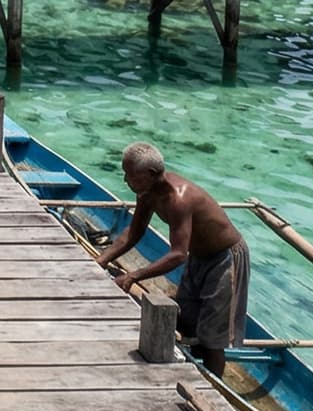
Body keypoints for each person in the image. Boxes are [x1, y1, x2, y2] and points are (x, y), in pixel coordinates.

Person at [94, 142, 248, 376]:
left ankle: (214, 388)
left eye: (131, 175)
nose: (126, 181)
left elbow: (177, 255)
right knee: (185, 319)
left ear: (152, 174)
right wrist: (101, 260)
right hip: (198, 255)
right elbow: (134, 233)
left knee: (212, 337)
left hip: (225, 260)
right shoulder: (146, 193)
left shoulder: (179, 199)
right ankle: (191, 365)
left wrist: (132, 276)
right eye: (124, 174)